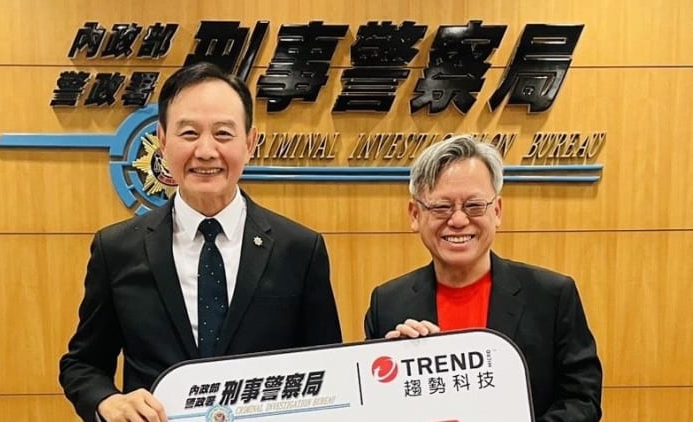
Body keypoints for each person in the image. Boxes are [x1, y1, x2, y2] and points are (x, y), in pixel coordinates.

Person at [59, 62, 342, 422]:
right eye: (189, 133)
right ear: (162, 140)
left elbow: (328, 369)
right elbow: (82, 364)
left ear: (250, 142)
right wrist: (108, 402)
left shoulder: (299, 249)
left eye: (223, 134)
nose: (206, 151)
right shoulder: (117, 249)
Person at [364, 135, 602, 421]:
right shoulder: (388, 304)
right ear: (415, 214)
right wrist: (391, 373)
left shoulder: (552, 296)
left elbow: (583, 400)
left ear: (497, 211)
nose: (458, 220)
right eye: (441, 207)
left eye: (474, 206)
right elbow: (370, 408)